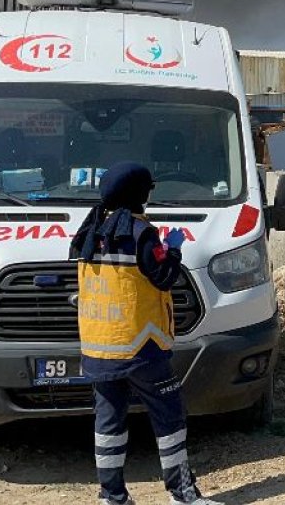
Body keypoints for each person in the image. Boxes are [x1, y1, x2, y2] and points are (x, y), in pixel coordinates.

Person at [71, 162, 219, 505]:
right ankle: (182, 493)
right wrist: (175, 249)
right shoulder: (141, 233)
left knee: (108, 425)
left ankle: (113, 496)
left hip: (99, 349)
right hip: (141, 346)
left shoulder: (89, 232)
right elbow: (164, 276)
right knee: (170, 417)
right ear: (139, 194)